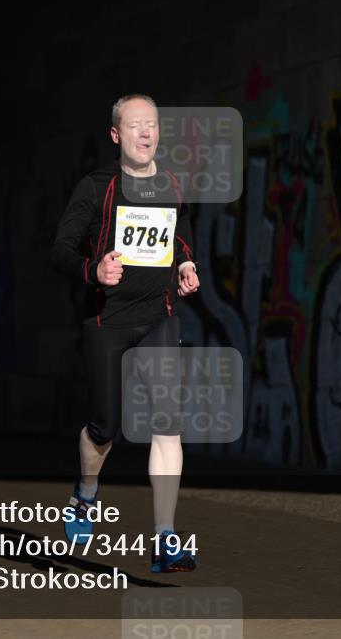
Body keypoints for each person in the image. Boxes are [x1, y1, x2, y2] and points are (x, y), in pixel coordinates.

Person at [51, 94, 200, 573]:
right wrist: (93, 270)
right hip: (107, 322)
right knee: (104, 429)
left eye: (151, 124)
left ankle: (165, 539)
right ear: (117, 135)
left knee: (168, 425)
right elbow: (61, 249)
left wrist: (186, 264)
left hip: (159, 318)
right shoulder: (96, 187)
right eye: (134, 125)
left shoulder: (171, 185)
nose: (145, 133)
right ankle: (85, 494)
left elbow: (180, 231)